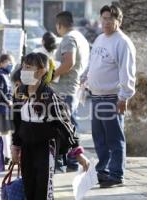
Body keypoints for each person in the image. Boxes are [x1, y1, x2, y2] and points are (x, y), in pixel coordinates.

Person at [11, 52, 89, 200]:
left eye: (28, 67)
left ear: (41, 71)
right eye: (23, 67)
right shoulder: (19, 94)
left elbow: (65, 124)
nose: (23, 71)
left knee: (43, 188)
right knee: (28, 186)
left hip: (46, 148)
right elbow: (17, 123)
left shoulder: (50, 96)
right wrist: (15, 146)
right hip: (27, 147)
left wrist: (77, 153)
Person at [87, 5, 136, 188]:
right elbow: (93, 63)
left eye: (110, 19)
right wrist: (86, 79)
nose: (106, 22)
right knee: (99, 138)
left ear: (119, 21)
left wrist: (124, 97)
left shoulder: (122, 42)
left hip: (112, 98)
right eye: (103, 18)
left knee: (114, 138)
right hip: (96, 96)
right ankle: (103, 171)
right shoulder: (100, 38)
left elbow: (127, 72)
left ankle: (116, 174)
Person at [53, 11, 90, 172]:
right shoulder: (80, 37)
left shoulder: (68, 38)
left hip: (65, 89)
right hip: (72, 87)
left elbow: (68, 63)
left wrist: (51, 75)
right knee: (68, 125)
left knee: (66, 126)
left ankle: (73, 160)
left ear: (59, 25)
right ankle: (71, 160)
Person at [0, 54, 14, 164]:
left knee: (5, 134)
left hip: (4, 108)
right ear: (1, 63)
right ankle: (6, 156)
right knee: (4, 133)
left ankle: (6, 155)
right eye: (8, 62)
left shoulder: (5, 74)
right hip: (1, 107)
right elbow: (0, 91)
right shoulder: (0, 74)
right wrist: (8, 101)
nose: (10, 64)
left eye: (11, 62)